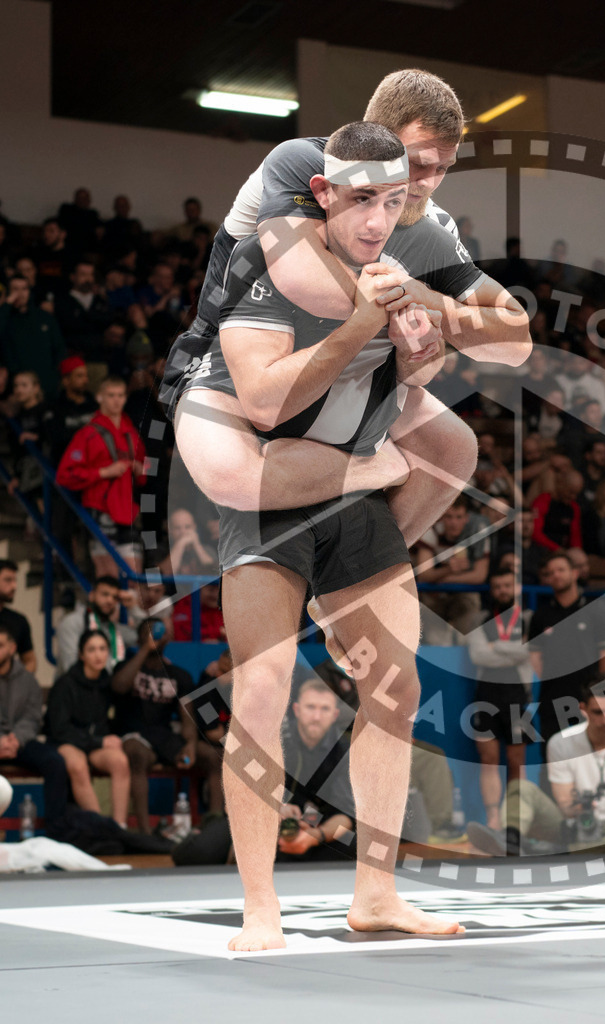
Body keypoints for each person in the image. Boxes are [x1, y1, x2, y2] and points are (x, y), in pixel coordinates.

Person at [204, 122, 464, 950]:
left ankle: (377, 895)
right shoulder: (273, 263)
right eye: (363, 199)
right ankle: (259, 906)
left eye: (394, 201)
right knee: (260, 691)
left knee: (396, 690)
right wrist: (360, 323)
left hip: (356, 490)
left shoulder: (403, 267)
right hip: (272, 489)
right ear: (323, 195)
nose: (381, 217)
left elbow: (428, 370)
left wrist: (425, 344)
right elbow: (262, 398)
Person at [162, 70, 528, 549]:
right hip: (236, 359)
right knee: (232, 473)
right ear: (378, 137)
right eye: (417, 163)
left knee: (453, 449)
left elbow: (516, 342)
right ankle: (376, 468)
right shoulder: (302, 163)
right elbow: (307, 283)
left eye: (444, 167)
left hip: (355, 368)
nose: (428, 183)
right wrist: (426, 314)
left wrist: (422, 299)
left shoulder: (432, 224)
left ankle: (355, 575)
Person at [467, 681, 605, 855]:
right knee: (521, 788)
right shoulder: (561, 743)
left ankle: (559, 852)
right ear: (583, 708)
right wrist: (580, 807)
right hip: (571, 826)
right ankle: (510, 842)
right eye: (597, 712)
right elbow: (566, 808)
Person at [113, 619, 221, 834]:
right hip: (135, 736)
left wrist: (190, 743)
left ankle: (213, 827)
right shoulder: (125, 667)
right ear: (139, 638)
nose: (155, 637)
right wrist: (145, 649)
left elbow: (187, 717)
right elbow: (119, 687)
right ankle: (145, 833)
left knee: (214, 756)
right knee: (136, 753)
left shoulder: (179, 676)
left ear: (168, 638)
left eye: (159, 633)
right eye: (149, 633)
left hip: (165, 738)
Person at [55, 376, 147, 579]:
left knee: (134, 578)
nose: (116, 400)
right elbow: (64, 475)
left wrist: (141, 469)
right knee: (109, 579)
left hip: (128, 511)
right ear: (99, 398)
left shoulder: (131, 433)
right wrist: (103, 472)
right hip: (100, 509)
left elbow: (146, 467)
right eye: (111, 395)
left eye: (121, 395)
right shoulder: (87, 434)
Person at [466, 568, 533, 830]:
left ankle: (516, 820)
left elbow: (529, 652)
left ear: (516, 588)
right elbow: (479, 656)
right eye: (497, 586)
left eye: (507, 585)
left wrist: (497, 647)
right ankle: (493, 818)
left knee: (517, 761)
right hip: (486, 695)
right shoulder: (479, 618)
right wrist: (514, 650)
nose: (502, 591)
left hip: (519, 695)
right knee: (488, 758)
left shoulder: (528, 618)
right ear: (492, 590)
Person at [528, 551, 605, 745]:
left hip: (587, 697)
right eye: (550, 572)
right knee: (552, 754)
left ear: (574, 573)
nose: (556, 575)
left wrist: (592, 686)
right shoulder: (541, 615)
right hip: (551, 697)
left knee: (590, 752)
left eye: (561, 570)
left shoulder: (595, 610)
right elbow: (535, 655)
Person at [45, 630, 130, 828]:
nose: (98, 655)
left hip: (94, 743)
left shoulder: (108, 682)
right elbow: (60, 729)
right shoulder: (65, 684)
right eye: (91, 650)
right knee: (78, 765)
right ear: (81, 655)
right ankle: (99, 827)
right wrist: (100, 741)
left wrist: (107, 740)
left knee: (120, 761)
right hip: (65, 741)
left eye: (102, 649)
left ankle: (120, 826)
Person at [276, 678, 357, 861]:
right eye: (311, 707)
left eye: (325, 709)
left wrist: (315, 836)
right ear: (296, 710)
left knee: (354, 842)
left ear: (335, 715)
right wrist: (275, 807)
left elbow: (345, 816)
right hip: (276, 825)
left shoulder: (345, 753)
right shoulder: (276, 742)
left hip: (322, 829)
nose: (316, 717)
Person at [0, 623, 69, 824]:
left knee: (55, 761)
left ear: (12, 648)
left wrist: (15, 740)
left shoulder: (28, 680)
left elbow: (32, 717)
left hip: (20, 741)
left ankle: (56, 831)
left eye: (1, 645)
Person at [415, 494, 491, 644]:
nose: (453, 523)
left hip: (463, 594)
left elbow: (480, 576)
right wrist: (449, 569)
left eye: (459, 517)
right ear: (442, 517)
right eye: (449, 517)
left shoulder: (478, 532)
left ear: (466, 518)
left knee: (467, 641)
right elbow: (424, 575)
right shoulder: (432, 531)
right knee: (435, 642)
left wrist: (444, 578)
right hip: (434, 596)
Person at [0, 274, 66, 399]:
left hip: (47, 384)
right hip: (17, 387)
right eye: (15, 289)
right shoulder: (5, 319)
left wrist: (55, 377)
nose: (20, 293)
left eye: (24, 289)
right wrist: (6, 304)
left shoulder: (44, 317)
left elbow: (59, 348)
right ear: (9, 292)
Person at [56, 575, 136, 673]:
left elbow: (146, 638)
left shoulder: (115, 629)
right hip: (75, 686)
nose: (110, 600)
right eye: (105, 594)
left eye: (115, 597)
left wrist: (134, 607)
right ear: (92, 596)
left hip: (106, 686)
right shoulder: (72, 622)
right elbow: (70, 666)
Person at [0, 559, 36, 673]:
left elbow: (30, 660)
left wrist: (19, 683)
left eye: (15, 580)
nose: (14, 586)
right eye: (8, 580)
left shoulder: (18, 621)